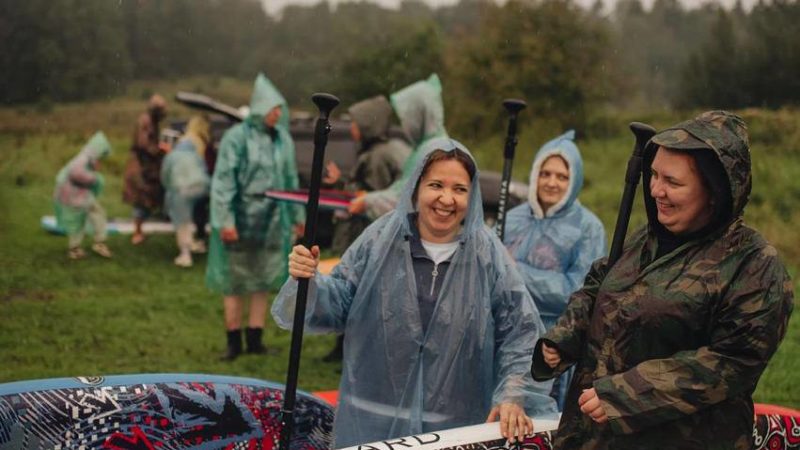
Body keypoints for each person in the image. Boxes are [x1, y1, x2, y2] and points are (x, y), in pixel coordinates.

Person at [531, 111, 794, 449]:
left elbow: (733, 362)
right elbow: (600, 284)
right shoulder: (648, 238)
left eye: (673, 182)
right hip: (592, 437)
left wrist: (624, 394)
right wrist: (565, 336)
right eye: (654, 175)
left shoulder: (754, 265)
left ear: (715, 191)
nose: (656, 190)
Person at [273, 138, 557, 448]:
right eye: (436, 185)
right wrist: (309, 281)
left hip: (454, 427)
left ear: (472, 195)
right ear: (416, 187)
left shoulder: (487, 255)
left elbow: (520, 333)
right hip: (372, 416)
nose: (446, 199)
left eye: (459, 189)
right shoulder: (380, 240)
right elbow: (339, 302)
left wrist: (513, 394)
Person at [503, 130, 606, 410]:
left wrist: (515, 271)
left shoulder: (588, 228)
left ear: (575, 181)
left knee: (538, 422)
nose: (551, 182)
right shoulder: (511, 218)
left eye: (562, 176)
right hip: (505, 337)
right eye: (545, 173)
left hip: (550, 347)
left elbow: (579, 292)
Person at [206, 73, 304, 361]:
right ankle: (233, 341)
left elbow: (290, 179)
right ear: (260, 107)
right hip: (240, 219)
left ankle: (255, 338)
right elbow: (224, 181)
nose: (278, 114)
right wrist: (225, 221)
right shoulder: (237, 138)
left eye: (280, 109)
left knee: (263, 279)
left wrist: (297, 215)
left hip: (273, 221)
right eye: (274, 108)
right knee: (234, 280)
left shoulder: (282, 139)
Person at [321, 95, 412, 362]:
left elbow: (372, 197)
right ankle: (344, 345)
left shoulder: (377, 156)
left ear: (367, 126)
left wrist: (348, 192)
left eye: (355, 124)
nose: (351, 129)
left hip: (362, 232)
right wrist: (342, 183)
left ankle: (348, 346)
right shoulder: (385, 150)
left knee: (356, 287)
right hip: (363, 230)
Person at [349, 73, 447, 219]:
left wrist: (368, 202)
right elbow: (403, 188)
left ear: (419, 115)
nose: (404, 126)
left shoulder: (434, 152)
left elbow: (409, 199)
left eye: (407, 119)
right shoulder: (430, 147)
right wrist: (372, 198)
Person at [160, 115, 211, 268]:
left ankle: (185, 255)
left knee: (182, 222)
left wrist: (168, 190)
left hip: (181, 190)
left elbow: (165, 175)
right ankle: (197, 242)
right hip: (202, 187)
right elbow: (203, 169)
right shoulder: (196, 151)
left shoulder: (173, 155)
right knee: (196, 214)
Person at [53, 131, 114, 260]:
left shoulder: (87, 158)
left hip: (76, 194)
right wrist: (93, 178)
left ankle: (75, 249)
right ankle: (99, 243)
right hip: (75, 195)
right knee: (96, 214)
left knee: (80, 220)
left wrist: (94, 169)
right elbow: (75, 172)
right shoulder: (84, 159)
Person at [123, 94, 168, 245]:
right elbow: (144, 144)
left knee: (146, 197)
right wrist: (161, 149)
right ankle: (137, 233)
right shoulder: (146, 121)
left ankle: (139, 231)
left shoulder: (150, 121)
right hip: (140, 166)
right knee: (140, 198)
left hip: (145, 165)